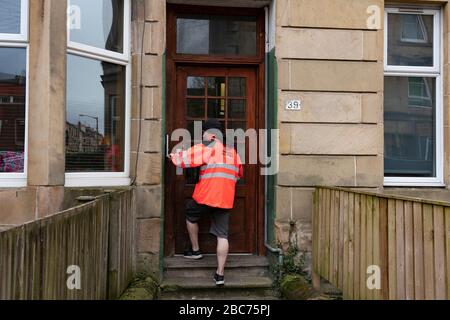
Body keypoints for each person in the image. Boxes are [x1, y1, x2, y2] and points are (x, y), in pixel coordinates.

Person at [169, 119, 243, 286]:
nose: (202, 135)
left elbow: (183, 160)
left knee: (190, 213)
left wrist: (173, 155)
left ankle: (195, 250)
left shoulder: (206, 148)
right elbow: (239, 175)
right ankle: (220, 275)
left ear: (210, 134)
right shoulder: (233, 153)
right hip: (225, 198)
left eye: (203, 133)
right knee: (222, 235)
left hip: (206, 196)